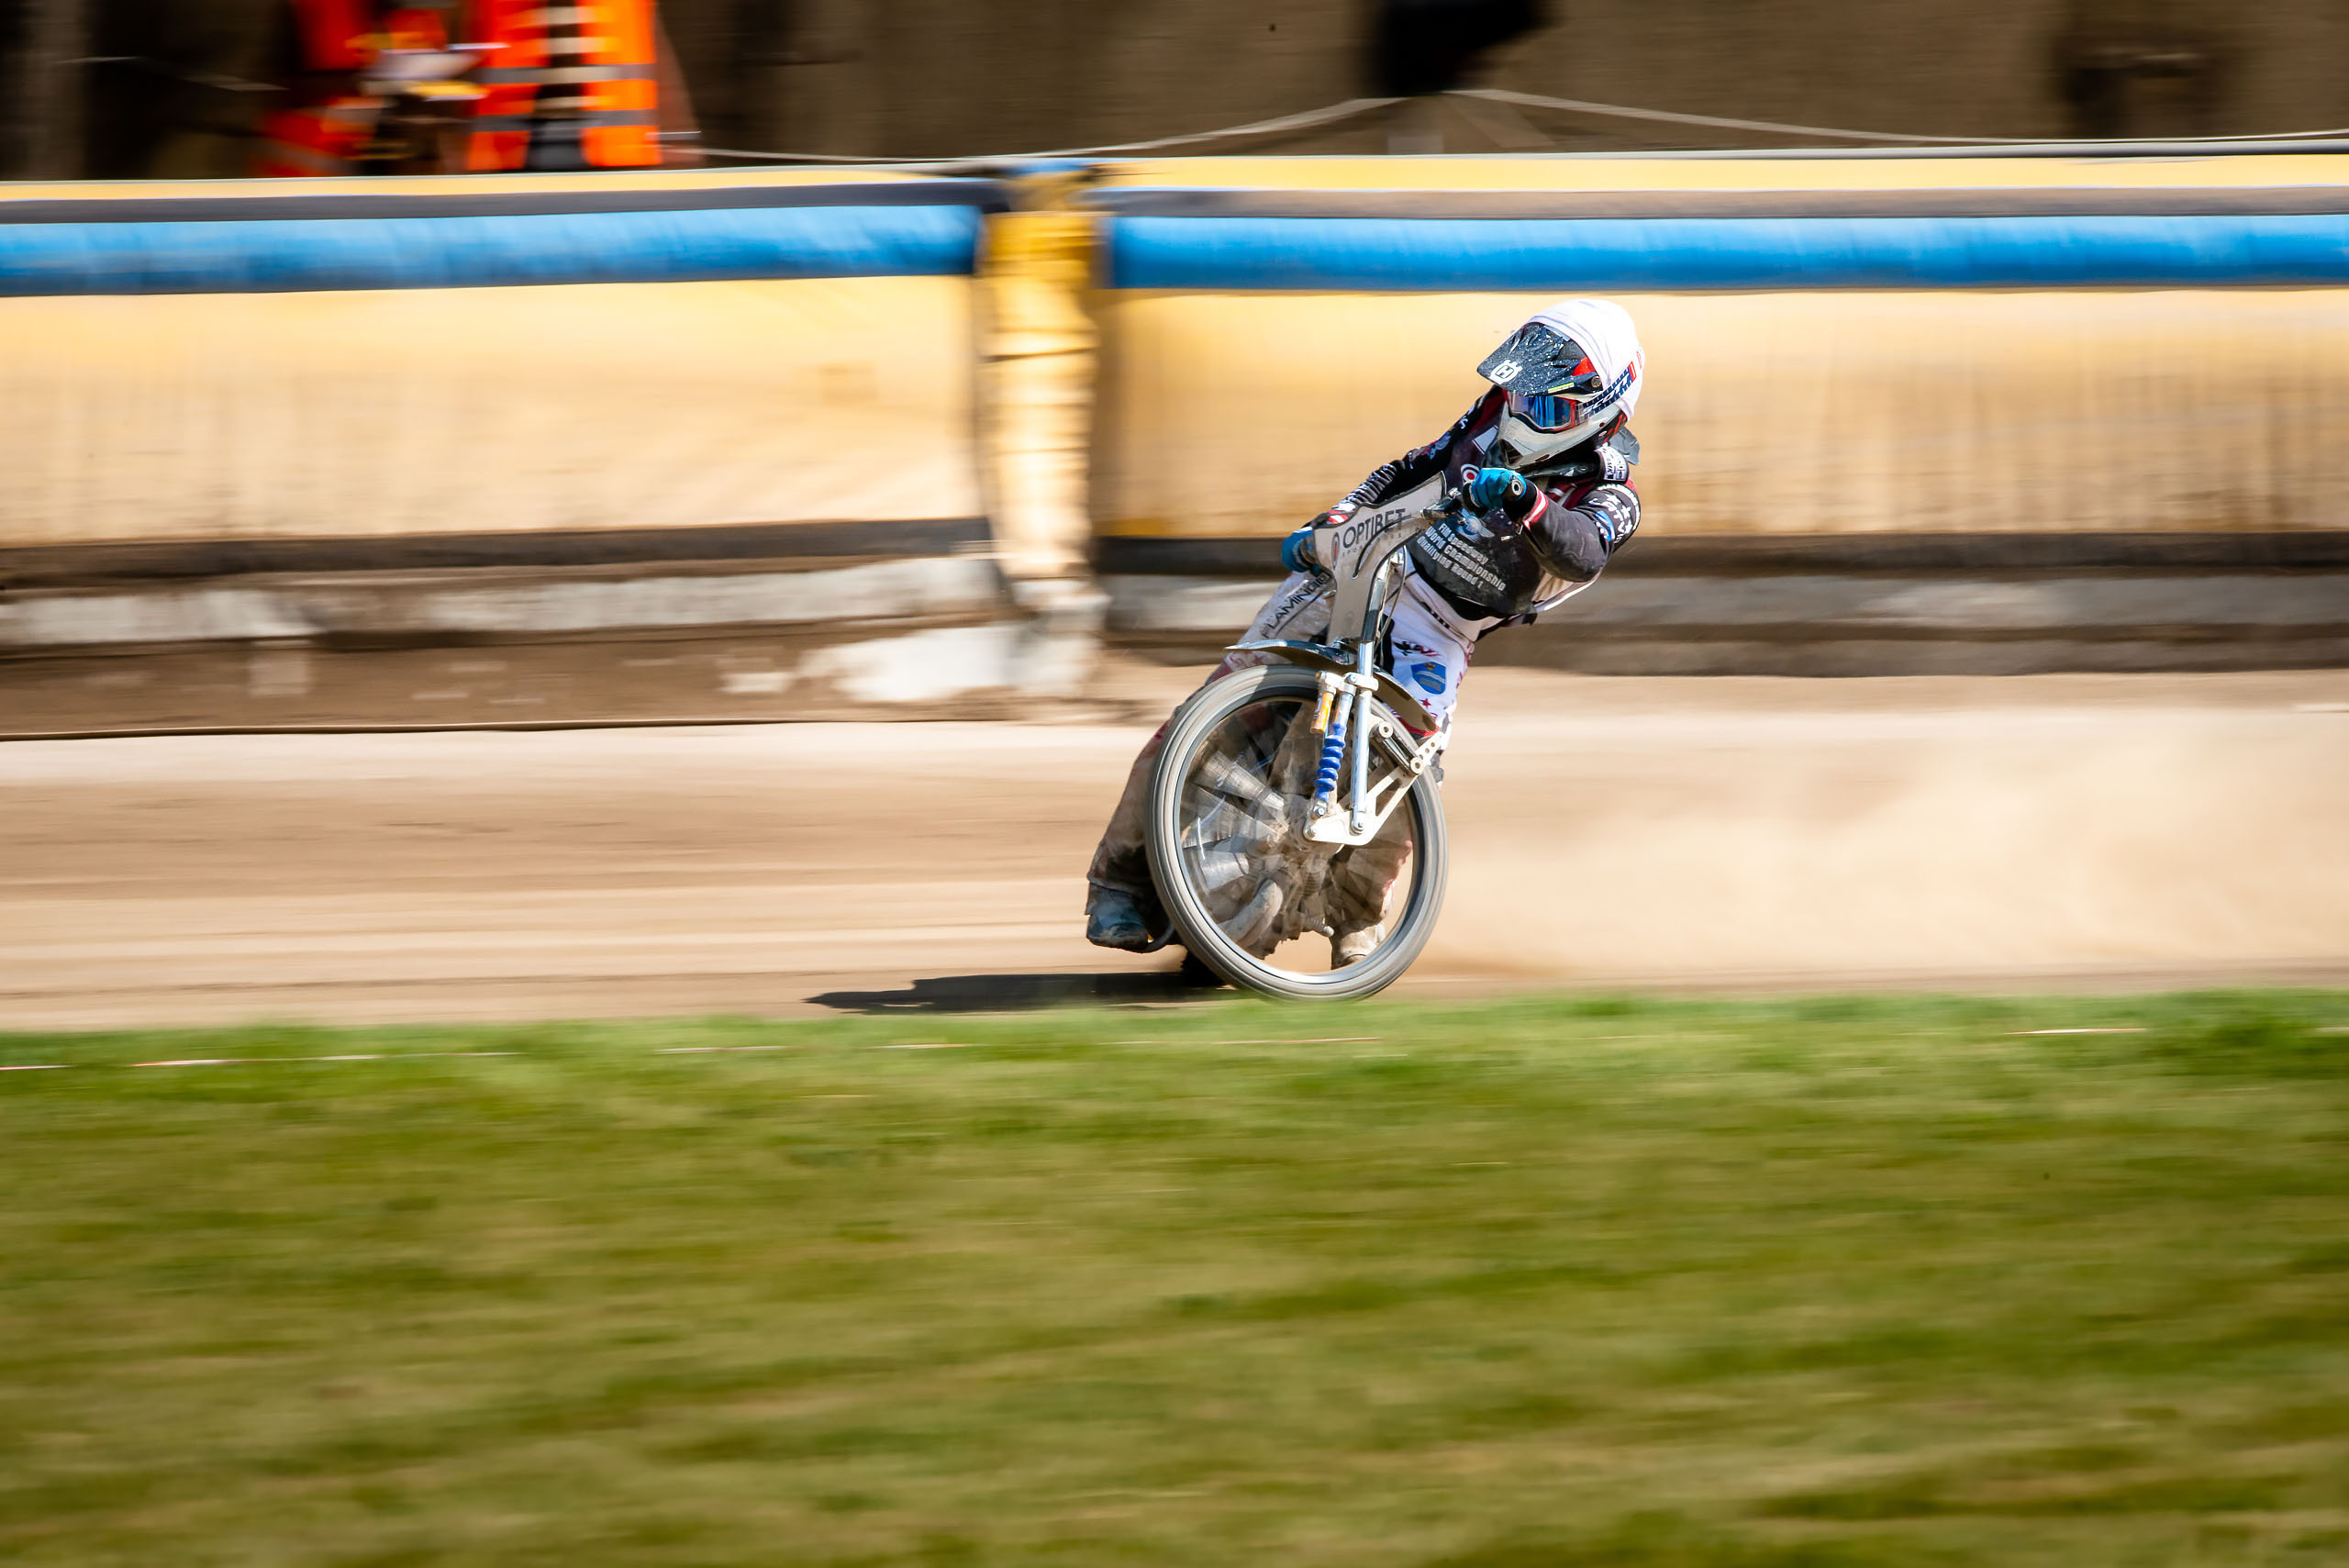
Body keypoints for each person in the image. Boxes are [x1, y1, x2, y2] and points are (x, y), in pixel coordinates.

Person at [1083, 297, 1648, 956]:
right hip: (1377, 558)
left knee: (1410, 774)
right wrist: (1336, 518)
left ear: (1605, 413)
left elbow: (1584, 548)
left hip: (1443, 627)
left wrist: (1530, 503)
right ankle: (1118, 881)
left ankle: (1357, 913)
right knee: (1210, 710)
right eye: (1519, 390)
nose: (1523, 412)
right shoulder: (1494, 412)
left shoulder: (1614, 494)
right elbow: (1412, 466)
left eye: (1547, 407)